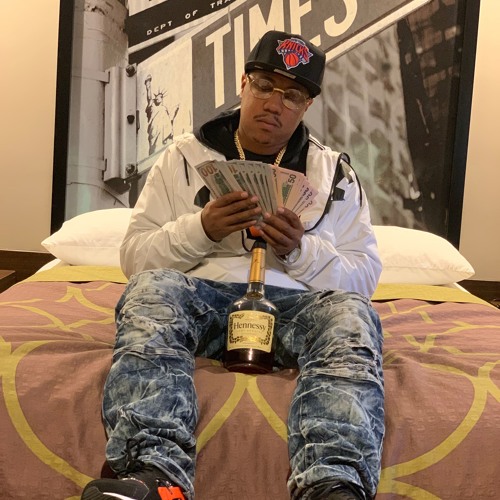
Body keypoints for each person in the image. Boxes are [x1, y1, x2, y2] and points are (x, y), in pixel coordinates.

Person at [81, 30, 384, 500]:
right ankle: (155, 476)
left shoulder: (335, 175)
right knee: (150, 293)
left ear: (306, 106)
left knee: (352, 316)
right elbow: (135, 259)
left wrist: (302, 251)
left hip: (295, 306)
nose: (275, 103)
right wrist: (200, 229)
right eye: (264, 86)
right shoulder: (182, 157)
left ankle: (332, 486)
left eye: (292, 95)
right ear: (243, 83)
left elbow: (364, 277)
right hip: (200, 296)